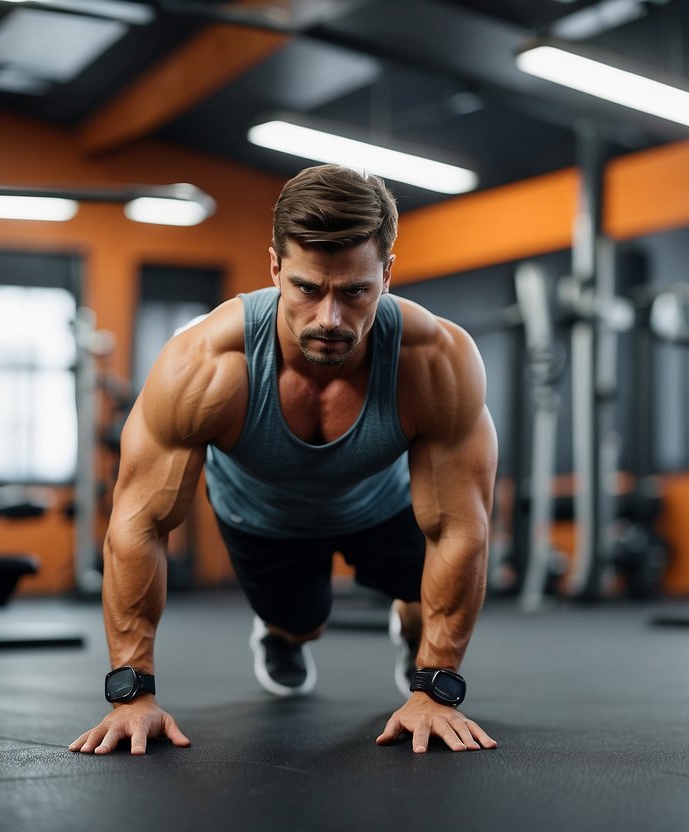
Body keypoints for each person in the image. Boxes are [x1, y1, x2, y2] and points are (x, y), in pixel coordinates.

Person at [69, 164, 498, 756]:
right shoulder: (208, 364)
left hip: (382, 500)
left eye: (354, 291)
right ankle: (282, 634)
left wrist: (436, 690)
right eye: (306, 287)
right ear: (274, 268)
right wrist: (130, 694)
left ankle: (411, 633)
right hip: (265, 518)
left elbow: (460, 526)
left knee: (425, 600)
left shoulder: (434, 360)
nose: (330, 318)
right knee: (303, 620)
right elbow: (140, 522)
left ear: (387, 275)